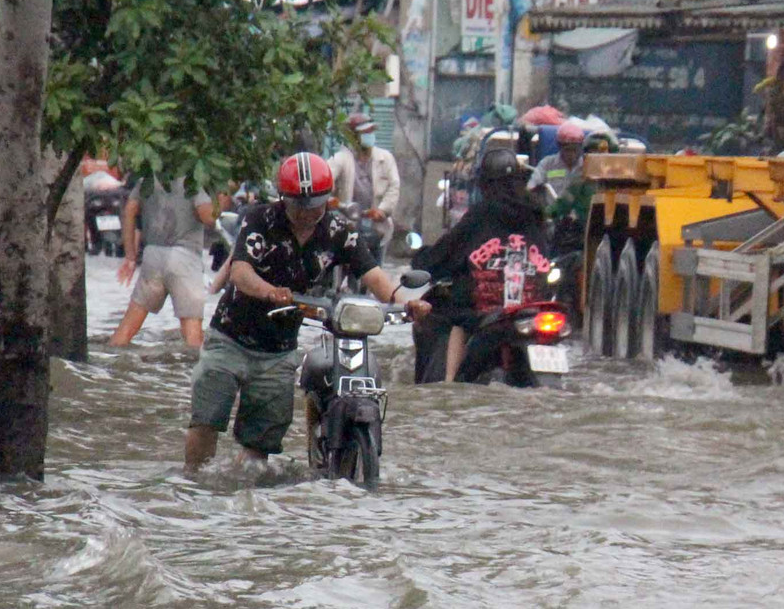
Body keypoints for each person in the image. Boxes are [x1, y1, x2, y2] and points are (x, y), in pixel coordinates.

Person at [185, 151, 430, 471]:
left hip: (279, 349)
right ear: (284, 199)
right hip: (230, 337)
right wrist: (270, 291)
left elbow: (372, 275)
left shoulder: (340, 230)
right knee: (206, 421)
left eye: (315, 205)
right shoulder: (259, 219)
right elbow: (240, 273)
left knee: (260, 443)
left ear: (327, 200)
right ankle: (193, 482)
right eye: (299, 206)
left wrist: (404, 302)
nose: (307, 214)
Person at [410, 147, 552, 384]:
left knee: (452, 318)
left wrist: (423, 260)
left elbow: (445, 255)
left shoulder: (481, 216)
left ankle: (447, 384)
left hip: (483, 312)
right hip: (533, 309)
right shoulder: (535, 215)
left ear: (484, 184)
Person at [110, 176, 216, 348]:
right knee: (193, 337)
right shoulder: (193, 179)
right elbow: (208, 217)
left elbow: (129, 210)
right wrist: (222, 198)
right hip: (185, 259)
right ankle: (191, 374)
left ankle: (107, 364)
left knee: (126, 330)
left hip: (152, 256)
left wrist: (130, 256)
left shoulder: (147, 179)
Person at [328, 112, 400, 253]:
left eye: (371, 131)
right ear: (353, 136)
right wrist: (329, 199)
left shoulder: (385, 158)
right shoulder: (340, 158)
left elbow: (394, 187)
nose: (369, 135)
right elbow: (326, 177)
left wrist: (383, 210)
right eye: (365, 132)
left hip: (376, 225)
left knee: (375, 267)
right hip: (346, 223)